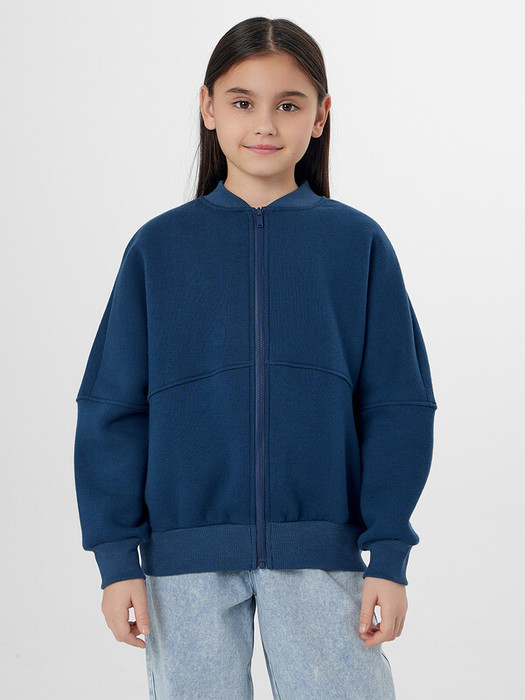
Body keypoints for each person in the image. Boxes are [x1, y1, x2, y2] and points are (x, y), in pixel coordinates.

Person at [73, 16, 437, 700]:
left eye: (288, 105)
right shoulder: (158, 249)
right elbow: (112, 410)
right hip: (183, 559)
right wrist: (116, 558)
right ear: (208, 107)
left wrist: (389, 554)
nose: (264, 123)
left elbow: (397, 405)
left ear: (320, 116)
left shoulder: (356, 244)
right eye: (242, 102)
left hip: (321, 551)